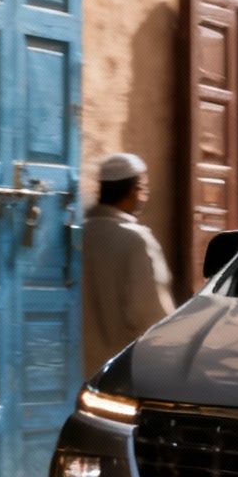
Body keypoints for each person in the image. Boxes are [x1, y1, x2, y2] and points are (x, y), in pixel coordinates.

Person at [80, 152, 175, 379]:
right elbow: (150, 316)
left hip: (77, 370)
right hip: (118, 374)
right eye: (145, 188)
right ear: (135, 190)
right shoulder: (137, 241)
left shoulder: (80, 234)